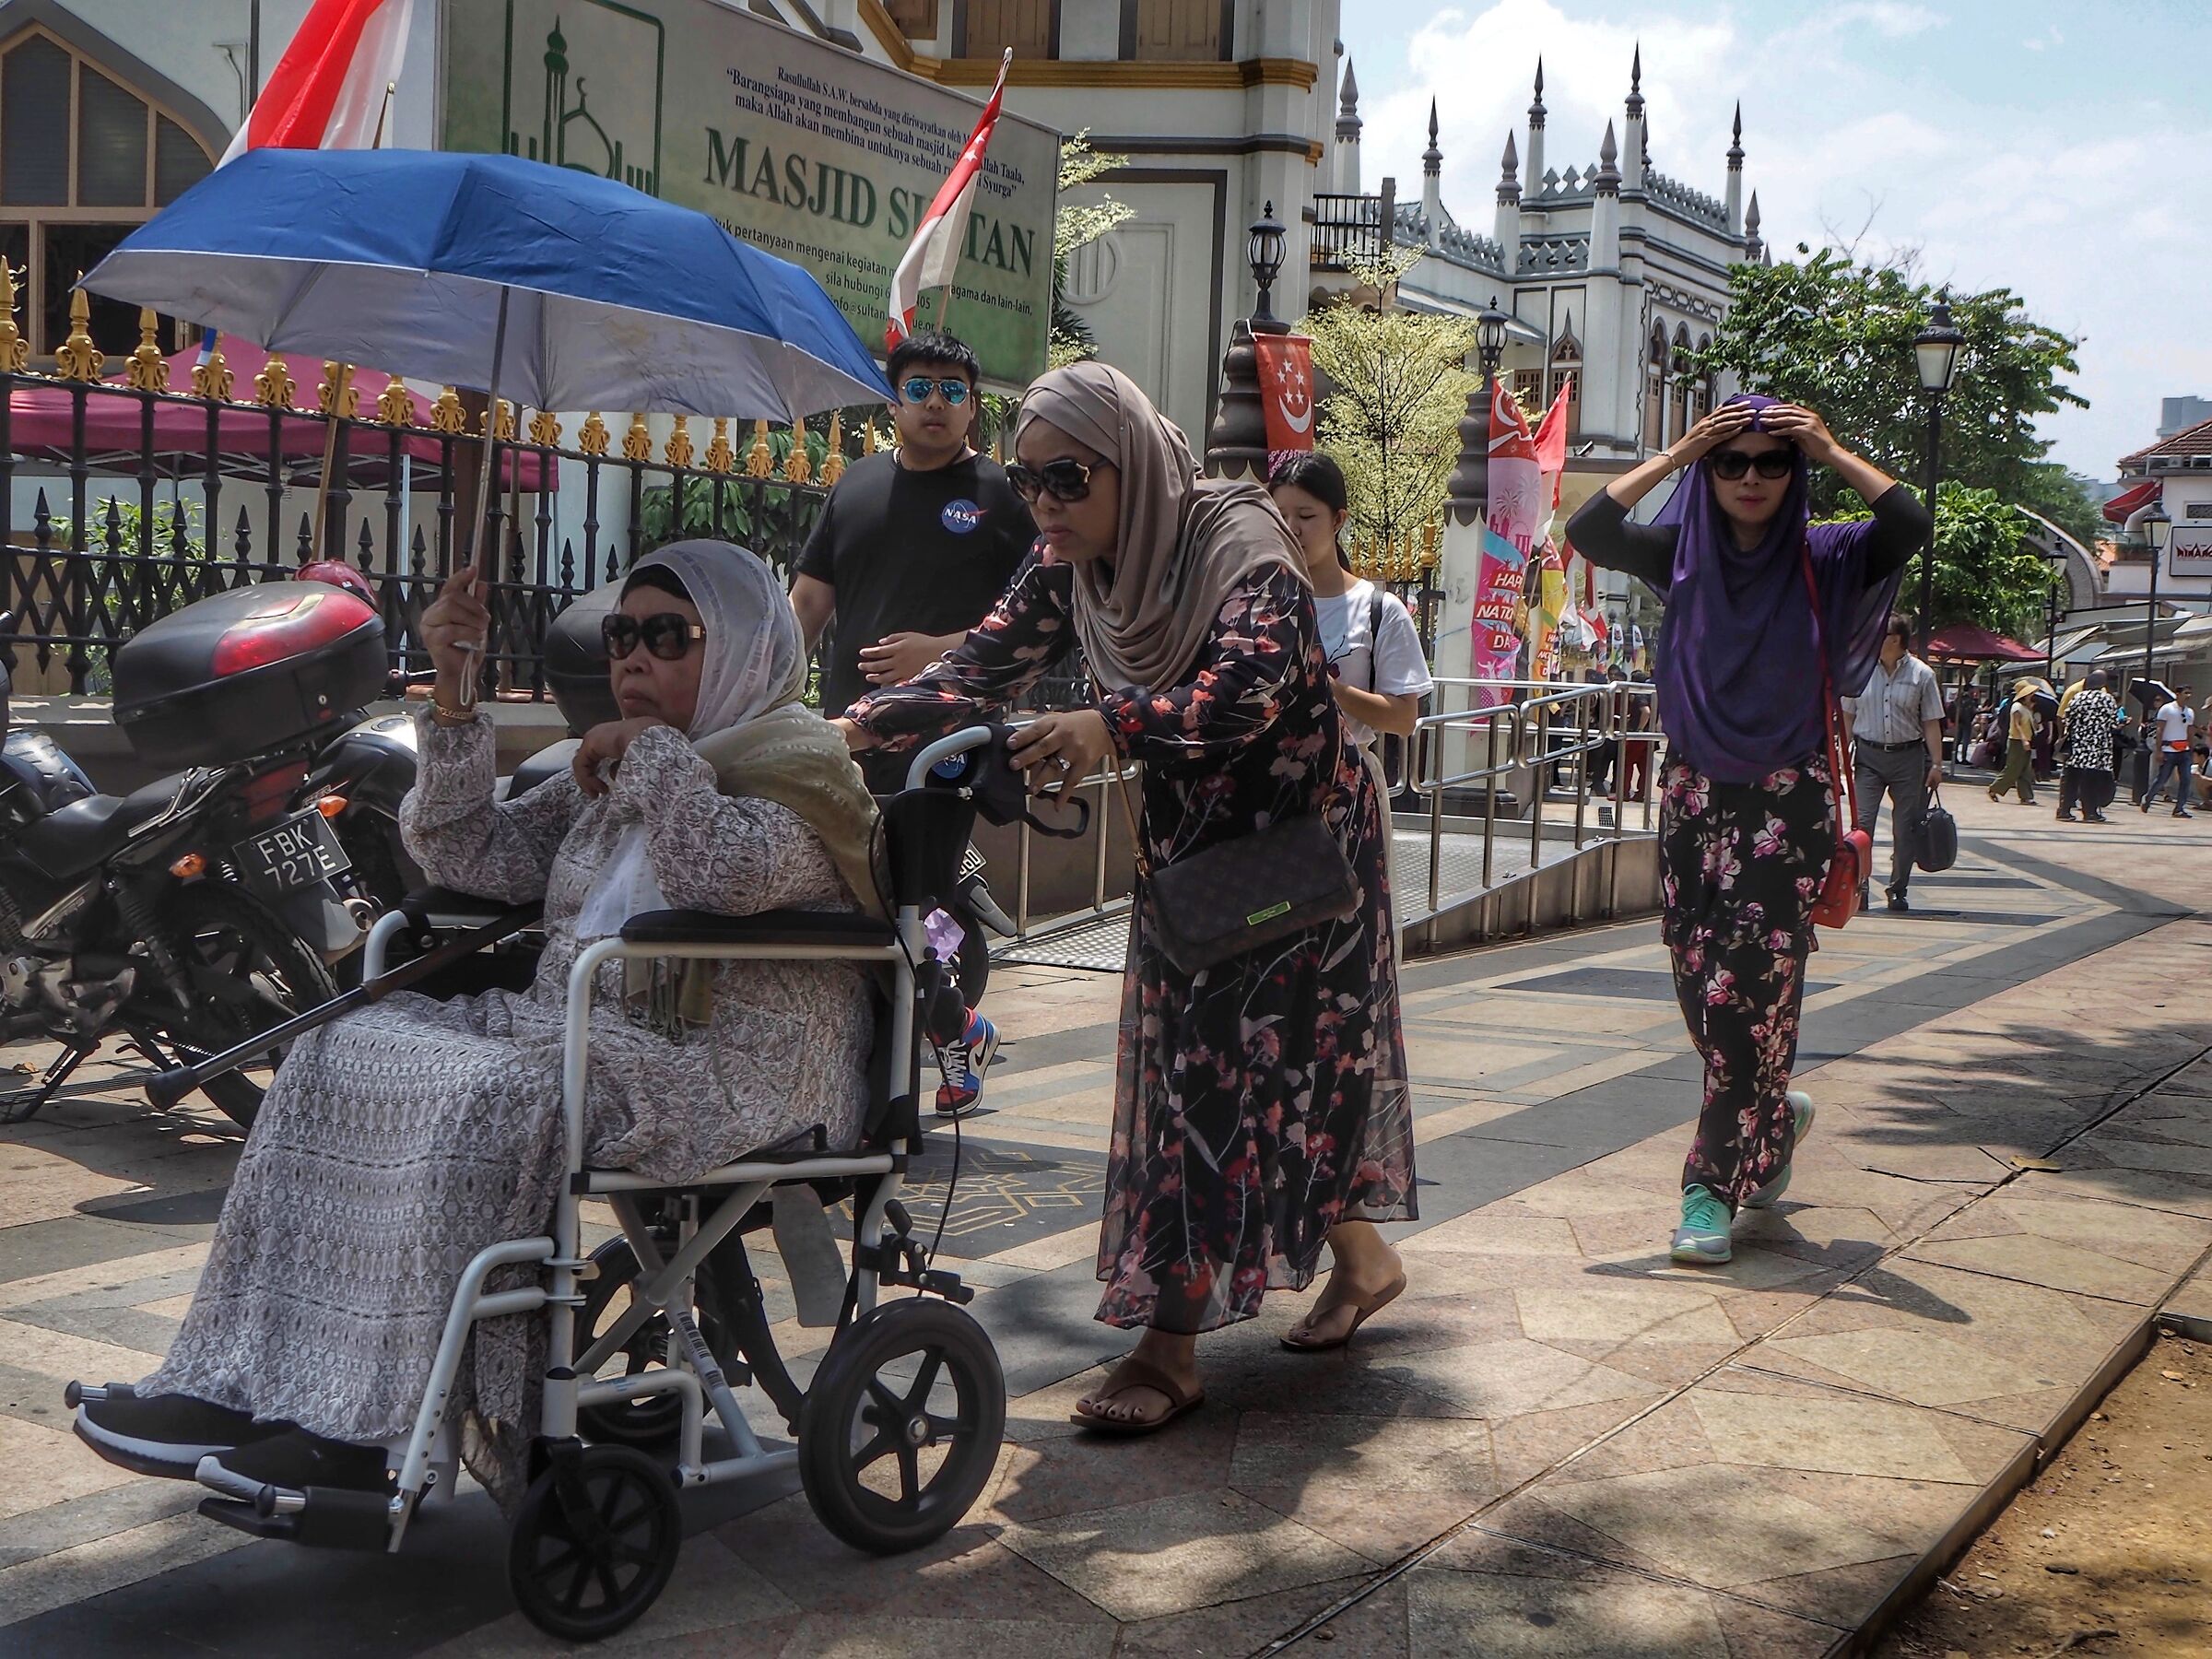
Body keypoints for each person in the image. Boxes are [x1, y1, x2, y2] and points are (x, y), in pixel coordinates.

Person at [75, 543, 880, 1505]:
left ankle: (369, 1432)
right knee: (335, 1050)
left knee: (483, 1096)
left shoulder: (801, 773)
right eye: (624, 633)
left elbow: (724, 874)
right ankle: (246, 1382)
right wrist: (454, 700)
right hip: (582, 1034)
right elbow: (466, 851)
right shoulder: (628, 769)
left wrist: (656, 755)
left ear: (746, 648)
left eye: (668, 635)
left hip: (732, 1067)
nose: (631, 656)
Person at [840, 361, 1415, 1430]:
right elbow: (982, 662)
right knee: (1252, 1078)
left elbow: (1245, 692)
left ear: (1132, 465)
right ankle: (1365, 1260)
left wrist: (1115, 725)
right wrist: (864, 725)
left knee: (1228, 1085)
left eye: (1068, 478)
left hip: (1298, 858)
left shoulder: (1243, 549)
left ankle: (1169, 1349)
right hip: (1193, 856)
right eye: (1028, 481)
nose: (1045, 505)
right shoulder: (1074, 562)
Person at [1566, 394, 1927, 1265]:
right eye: (1733, 463)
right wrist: (1685, 446)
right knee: (1700, 982)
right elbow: (1588, 528)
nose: (1753, 477)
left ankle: (1707, 1189)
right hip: (1693, 797)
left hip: (1785, 800)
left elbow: (1907, 521)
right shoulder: (1679, 553)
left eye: (1773, 462)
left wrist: (1832, 447)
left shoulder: (1824, 553)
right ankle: (1771, 1117)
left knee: (1746, 998)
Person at [790, 330, 1037, 1108]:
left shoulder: (1001, 498)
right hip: (843, 737)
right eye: (921, 387)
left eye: (955, 391)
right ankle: (947, 1026)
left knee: (916, 899)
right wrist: (762, 693)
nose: (936, 402)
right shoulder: (855, 485)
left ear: (973, 406)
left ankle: (945, 1029)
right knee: (850, 895)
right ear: (894, 399)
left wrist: (944, 648)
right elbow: (806, 605)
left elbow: (1042, 620)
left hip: (948, 745)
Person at [1266, 451, 1433, 928]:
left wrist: (1325, 685)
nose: (1292, 528)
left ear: (1338, 519)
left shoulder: (1378, 609)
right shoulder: (1257, 601)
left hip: (1347, 792)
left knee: (1346, 932)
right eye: (1281, 516)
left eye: (1306, 516)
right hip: (1268, 790)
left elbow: (1402, 717)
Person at [1841, 615, 1944, 912]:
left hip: (1908, 758)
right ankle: (1859, 889)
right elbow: (1847, 716)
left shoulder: (1921, 675)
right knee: (1863, 827)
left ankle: (1898, 888)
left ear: (1896, 639)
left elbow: (1931, 722)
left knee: (1905, 827)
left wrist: (1936, 764)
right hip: (1868, 757)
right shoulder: (1858, 670)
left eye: (1879, 633)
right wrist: (1840, 754)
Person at [2056, 668, 2122, 822]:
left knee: (2071, 778)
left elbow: (2067, 719)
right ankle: (2090, 812)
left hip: (2077, 747)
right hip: (2097, 748)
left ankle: (2064, 810)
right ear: (2102, 684)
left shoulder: (2077, 698)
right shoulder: (2107, 699)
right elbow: (2113, 723)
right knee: (2092, 780)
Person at [2142, 686, 2198, 818]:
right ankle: (2148, 798)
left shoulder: (2189, 712)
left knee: (2185, 779)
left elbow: (2190, 731)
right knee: (2162, 778)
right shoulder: (2167, 709)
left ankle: (2179, 808)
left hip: (2184, 750)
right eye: (2185, 693)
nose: (2188, 696)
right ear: (2177, 694)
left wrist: (2191, 748)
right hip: (2169, 750)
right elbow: (2160, 730)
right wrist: (2159, 750)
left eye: (2190, 693)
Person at [1987, 685, 2038, 805]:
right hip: (2017, 741)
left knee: (2025, 769)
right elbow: (2016, 725)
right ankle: (1994, 788)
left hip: (2026, 740)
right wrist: (2024, 739)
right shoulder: (2017, 707)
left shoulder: (2027, 708)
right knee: (2012, 768)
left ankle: (2026, 796)